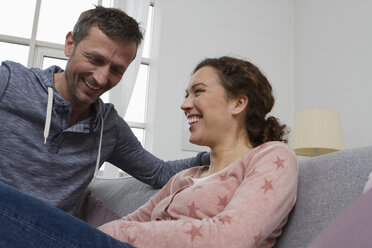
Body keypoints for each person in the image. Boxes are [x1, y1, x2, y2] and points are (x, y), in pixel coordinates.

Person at [0, 56, 298, 248]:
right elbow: (132, 220)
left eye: (198, 91)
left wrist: (106, 237)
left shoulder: (271, 157)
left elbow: (232, 237)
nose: (185, 104)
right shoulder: (187, 177)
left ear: (238, 103)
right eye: (186, 94)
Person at [0, 6, 208, 214]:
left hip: (51, 235)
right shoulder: (9, 82)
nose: (101, 78)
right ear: (70, 44)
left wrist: (221, 155)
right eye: (95, 60)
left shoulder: (109, 127)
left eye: (116, 70)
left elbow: (160, 172)